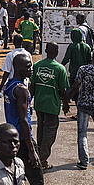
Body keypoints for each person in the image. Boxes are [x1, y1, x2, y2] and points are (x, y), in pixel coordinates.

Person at [3, 53, 50, 185]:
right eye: (28, 66)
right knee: (36, 177)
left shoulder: (9, 85)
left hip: (11, 139)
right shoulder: (21, 90)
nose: (31, 69)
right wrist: (32, 150)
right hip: (23, 139)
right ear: (19, 67)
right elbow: (23, 120)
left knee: (15, 180)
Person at [65, 47, 94, 170]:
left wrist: (66, 99)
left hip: (83, 103)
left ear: (92, 56)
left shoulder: (83, 69)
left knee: (82, 133)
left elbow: (75, 86)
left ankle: (84, 161)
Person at [29, 42, 69, 170]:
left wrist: (29, 103)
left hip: (39, 105)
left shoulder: (37, 66)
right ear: (56, 52)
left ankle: (38, 157)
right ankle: (42, 160)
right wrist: (66, 104)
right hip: (52, 106)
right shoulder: (60, 69)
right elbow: (63, 90)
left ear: (45, 50)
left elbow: (32, 87)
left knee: (41, 131)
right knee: (49, 134)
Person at [0, 35, 30, 99]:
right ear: (22, 42)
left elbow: (6, 73)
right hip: (25, 83)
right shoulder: (27, 54)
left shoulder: (10, 55)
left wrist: (0, 90)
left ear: (13, 42)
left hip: (13, 84)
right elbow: (30, 70)